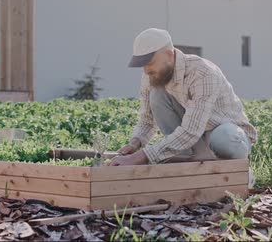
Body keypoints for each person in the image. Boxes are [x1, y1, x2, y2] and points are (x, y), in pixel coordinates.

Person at [109, 28, 257, 186]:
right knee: (157, 93)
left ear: (169, 54)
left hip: (228, 136)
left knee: (225, 137)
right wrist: (135, 143)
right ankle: (188, 165)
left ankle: (239, 175)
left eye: (150, 62)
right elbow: (147, 119)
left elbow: (191, 130)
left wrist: (141, 157)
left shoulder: (203, 72)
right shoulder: (151, 75)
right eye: (142, 64)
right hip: (194, 141)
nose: (146, 70)